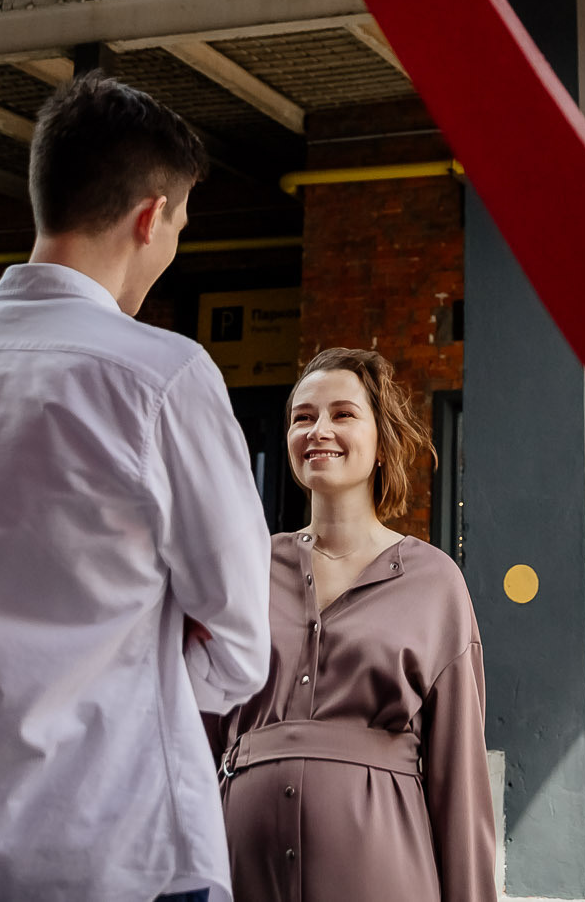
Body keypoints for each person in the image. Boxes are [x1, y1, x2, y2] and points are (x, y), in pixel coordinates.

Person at [0, 72, 273, 902]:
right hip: (111, 849)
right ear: (151, 216)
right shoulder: (161, 376)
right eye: (179, 226)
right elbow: (238, 643)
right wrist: (127, 666)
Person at [213, 348, 497, 902]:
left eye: (343, 414)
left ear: (382, 441)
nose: (319, 430)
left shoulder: (434, 581)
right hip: (239, 872)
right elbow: (197, 738)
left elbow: (459, 779)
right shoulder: (241, 567)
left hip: (384, 871)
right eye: (303, 417)